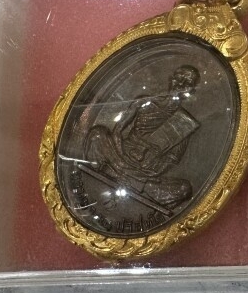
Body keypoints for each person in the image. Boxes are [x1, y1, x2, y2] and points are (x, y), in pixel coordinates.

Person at [84, 65, 201, 209]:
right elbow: (117, 131)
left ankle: (120, 175)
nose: (181, 84)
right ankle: (129, 179)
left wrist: (148, 172)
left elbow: (171, 160)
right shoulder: (143, 102)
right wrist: (122, 160)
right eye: (179, 78)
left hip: (145, 173)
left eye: (187, 83)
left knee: (184, 189)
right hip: (119, 156)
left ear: (191, 91)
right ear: (171, 79)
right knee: (97, 134)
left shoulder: (185, 123)